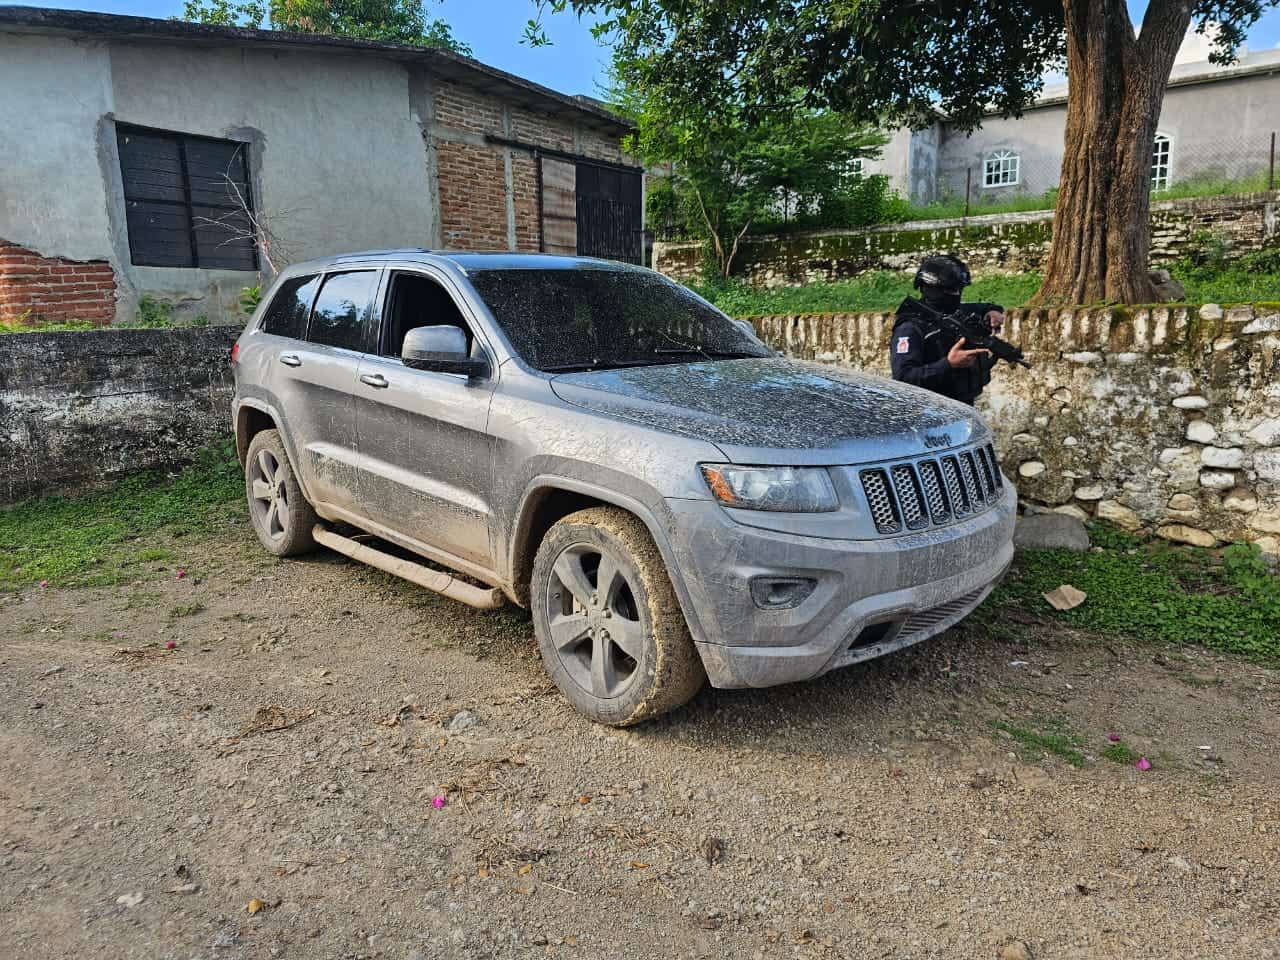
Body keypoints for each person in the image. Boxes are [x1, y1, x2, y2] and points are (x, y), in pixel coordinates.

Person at [890, 254, 1006, 406]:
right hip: (927, 411)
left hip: (962, 407)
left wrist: (992, 311)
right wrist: (948, 364)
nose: (956, 295)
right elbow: (904, 378)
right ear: (930, 288)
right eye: (951, 290)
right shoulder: (910, 327)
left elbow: (979, 307)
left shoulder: (953, 314)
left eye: (959, 289)